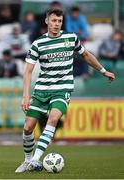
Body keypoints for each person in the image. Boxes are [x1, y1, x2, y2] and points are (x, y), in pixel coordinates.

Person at [15, 9, 115, 173]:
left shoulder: (70, 38)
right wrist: (25, 96)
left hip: (62, 89)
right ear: (47, 21)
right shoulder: (38, 43)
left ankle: (35, 159)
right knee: (28, 127)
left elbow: (86, 55)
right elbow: (27, 71)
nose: (56, 24)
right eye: (53, 21)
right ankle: (27, 160)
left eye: (59, 21)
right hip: (41, 90)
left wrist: (103, 71)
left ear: (62, 22)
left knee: (53, 118)